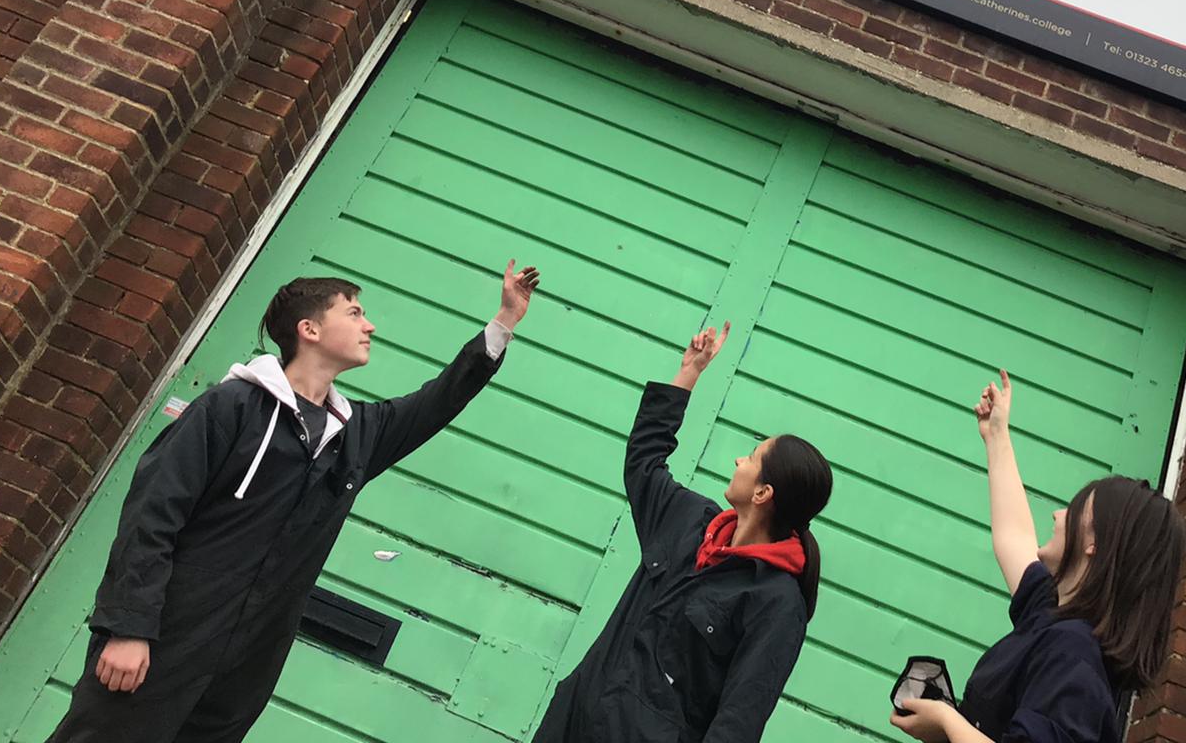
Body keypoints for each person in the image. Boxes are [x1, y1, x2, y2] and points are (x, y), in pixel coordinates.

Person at [45, 259, 541, 743]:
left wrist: (503, 322)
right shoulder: (230, 407)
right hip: (165, 637)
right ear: (310, 329)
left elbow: (439, 401)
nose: (370, 325)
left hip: (247, 664)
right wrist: (129, 626)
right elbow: (152, 515)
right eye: (353, 312)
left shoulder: (357, 435)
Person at [533, 321, 833, 743]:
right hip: (573, 723)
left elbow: (738, 723)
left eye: (751, 457)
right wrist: (688, 373)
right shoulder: (689, 521)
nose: (738, 462)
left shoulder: (776, 604)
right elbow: (644, 462)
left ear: (764, 492)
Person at [890, 371, 1186, 743]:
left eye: (1073, 510)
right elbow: (1013, 537)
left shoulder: (1074, 655)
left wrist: (948, 724)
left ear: (1095, 543)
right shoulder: (1051, 617)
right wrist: (996, 436)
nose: (1057, 515)